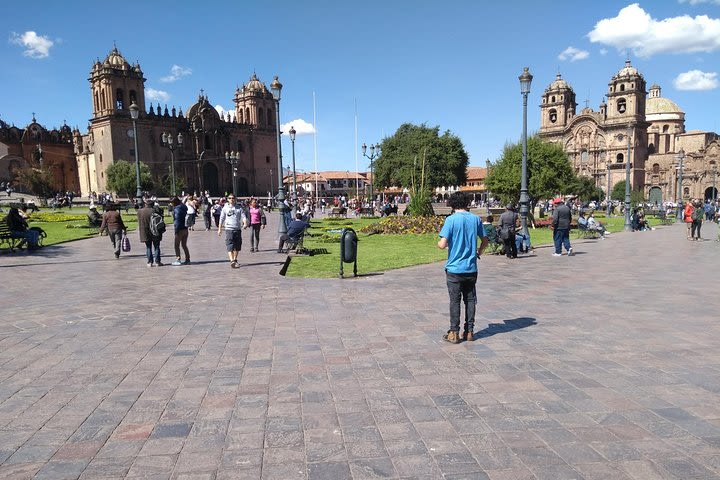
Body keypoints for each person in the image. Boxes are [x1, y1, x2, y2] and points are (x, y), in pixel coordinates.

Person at [437, 192, 488, 344]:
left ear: (452, 204)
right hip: (471, 267)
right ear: (467, 203)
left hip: (454, 268)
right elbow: (485, 241)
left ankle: (454, 332)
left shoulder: (451, 220)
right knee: (470, 299)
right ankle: (469, 331)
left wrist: (441, 241)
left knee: (455, 300)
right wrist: (478, 252)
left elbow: (442, 244)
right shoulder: (475, 219)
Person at [218, 194, 247, 268]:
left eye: (233, 198)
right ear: (228, 199)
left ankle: (235, 259)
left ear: (235, 199)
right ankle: (232, 261)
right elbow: (221, 218)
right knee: (229, 244)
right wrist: (219, 229)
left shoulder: (239, 208)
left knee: (237, 245)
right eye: (230, 198)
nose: (231, 199)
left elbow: (243, 217)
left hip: (237, 228)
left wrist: (245, 223)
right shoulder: (225, 208)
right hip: (229, 229)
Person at [138, 198, 163, 267]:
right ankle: (157, 262)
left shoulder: (140, 211)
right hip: (155, 231)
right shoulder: (155, 210)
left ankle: (150, 262)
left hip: (145, 231)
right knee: (157, 246)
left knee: (148, 247)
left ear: (145, 204)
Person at [171, 197, 191, 265]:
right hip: (185, 228)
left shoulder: (176, 209)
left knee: (176, 245)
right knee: (184, 245)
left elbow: (177, 220)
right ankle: (187, 259)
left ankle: (178, 259)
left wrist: (176, 230)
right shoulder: (184, 207)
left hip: (179, 229)